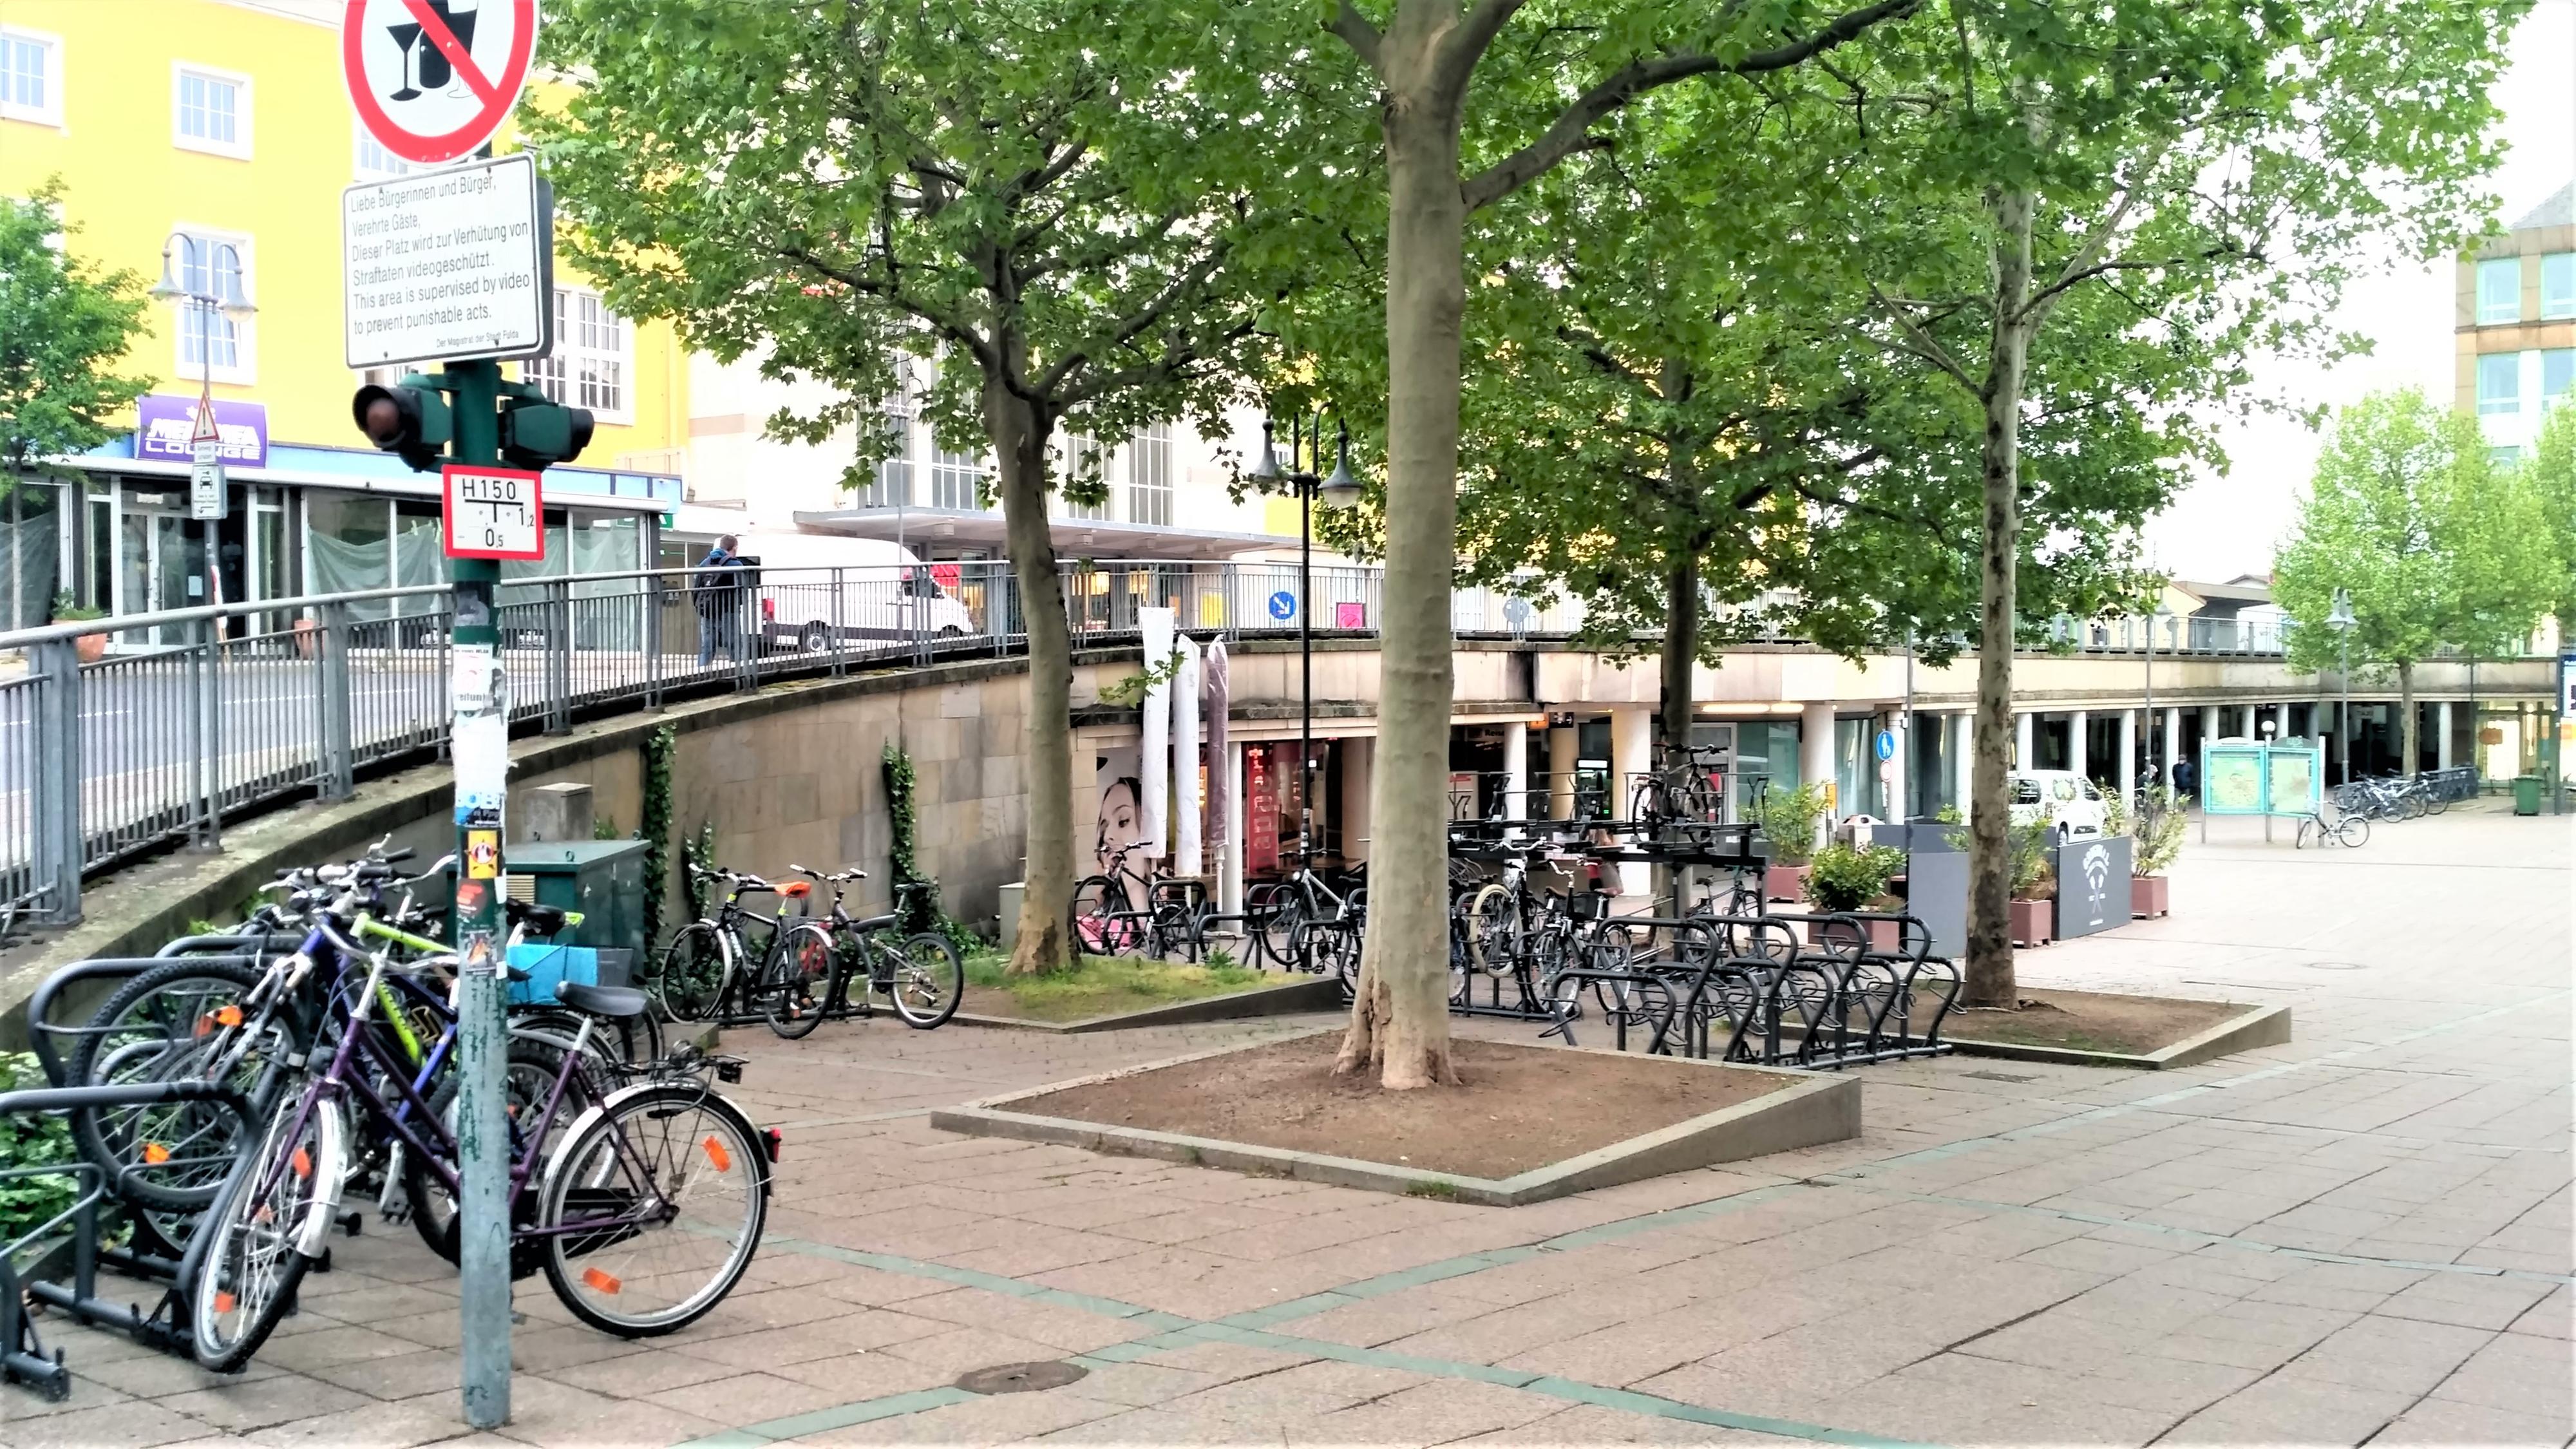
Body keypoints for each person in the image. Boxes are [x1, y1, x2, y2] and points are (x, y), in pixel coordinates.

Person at [694, 535, 744, 667]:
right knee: (735, 646)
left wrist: (700, 608)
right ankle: (739, 675)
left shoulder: (705, 563)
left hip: (708, 612)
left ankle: (701, 676)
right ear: (735, 548)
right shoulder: (736, 565)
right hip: (729, 610)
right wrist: (738, 603)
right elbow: (742, 589)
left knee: (707, 648)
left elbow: (696, 589)